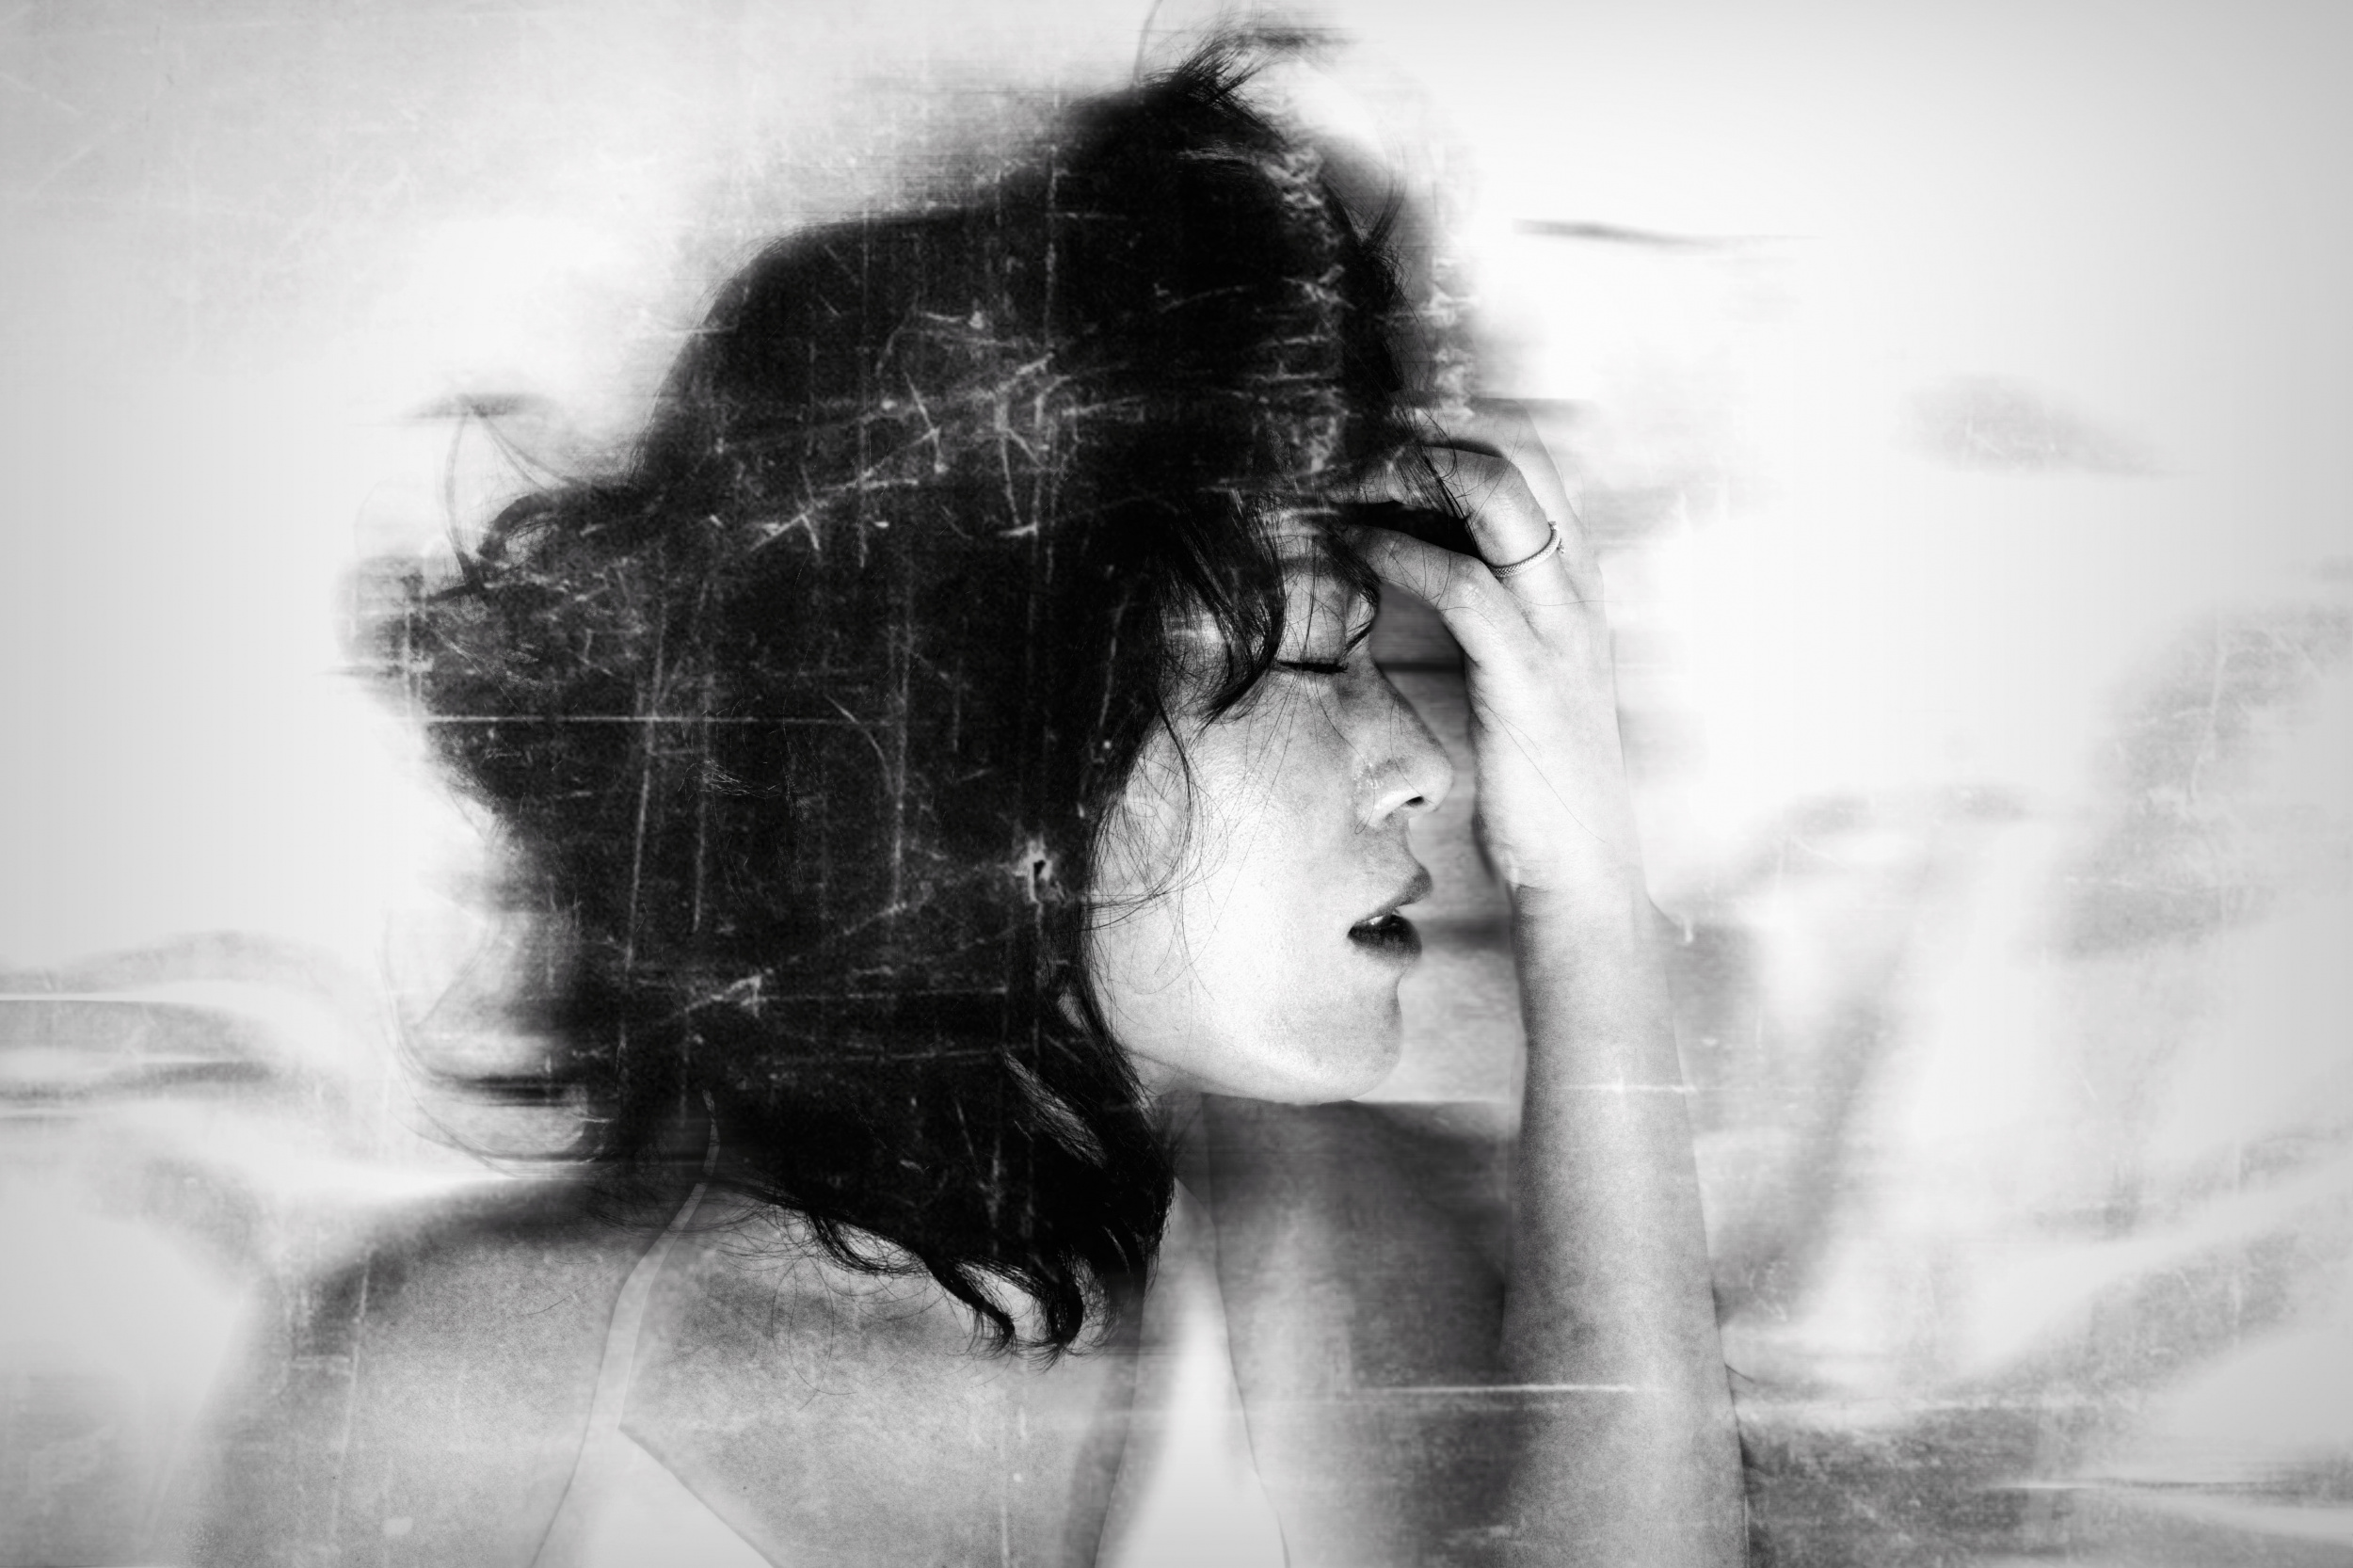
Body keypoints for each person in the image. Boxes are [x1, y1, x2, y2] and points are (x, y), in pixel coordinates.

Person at [179, 40, 1743, 1567]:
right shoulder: (451, 1394)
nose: (1429, 763)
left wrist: (1587, 892)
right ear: (996, 729)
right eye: (1318, 650)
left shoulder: (1315, 1253)